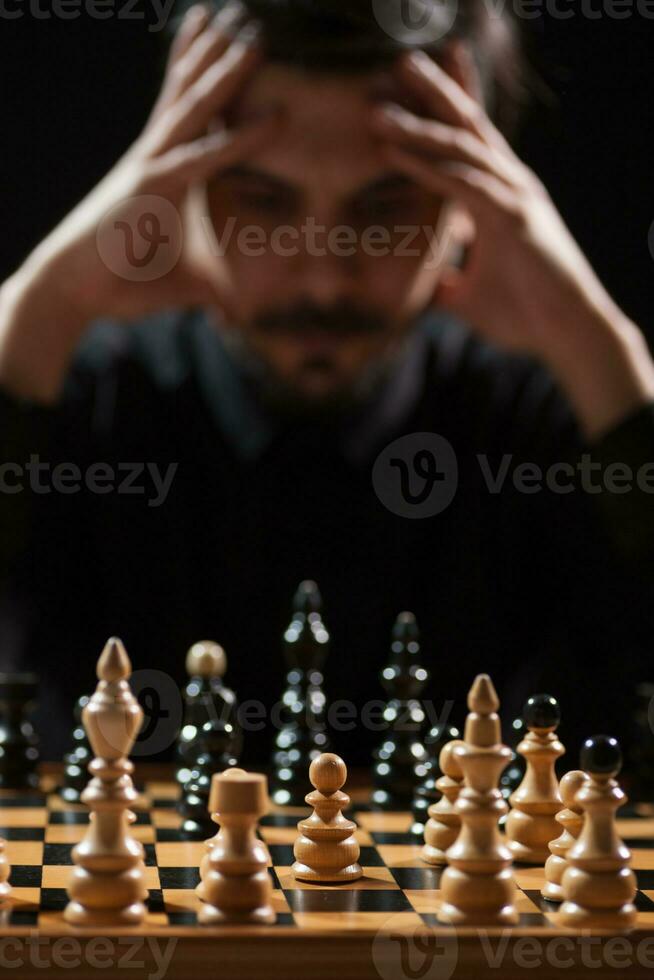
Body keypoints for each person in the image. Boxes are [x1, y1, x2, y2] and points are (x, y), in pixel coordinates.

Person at [0, 0, 653, 768]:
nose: (323, 276)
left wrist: (602, 347)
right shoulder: (70, 398)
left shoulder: (550, 413)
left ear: (473, 203)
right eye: (264, 202)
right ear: (177, 183)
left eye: (386, 206)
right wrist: (36, 312)